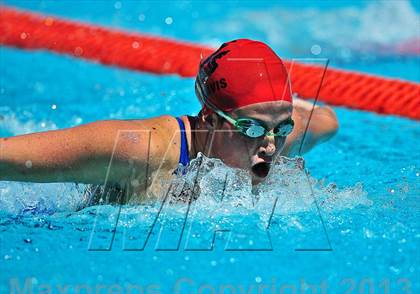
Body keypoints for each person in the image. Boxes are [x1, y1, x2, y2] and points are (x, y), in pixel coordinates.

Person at [0, 39, 338, 205]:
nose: (269, 144)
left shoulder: (275, 139)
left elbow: (328, 120)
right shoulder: (141, 150)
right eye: (251, 127)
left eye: (282, 127)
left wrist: (282, 110)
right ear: (209, 119)